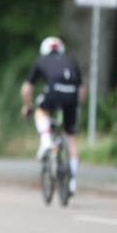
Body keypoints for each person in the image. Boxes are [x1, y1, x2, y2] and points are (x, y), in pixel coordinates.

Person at [20, 36, 85, 194]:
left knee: (41, 110)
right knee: (71, 138)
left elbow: (26, 88)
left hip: (54, 92)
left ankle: (46, 140)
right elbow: (82, 89)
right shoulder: (72, 61)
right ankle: (72, 181)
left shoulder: (41, 61)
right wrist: (77, 106)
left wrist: (27, 106)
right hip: (72, 96)